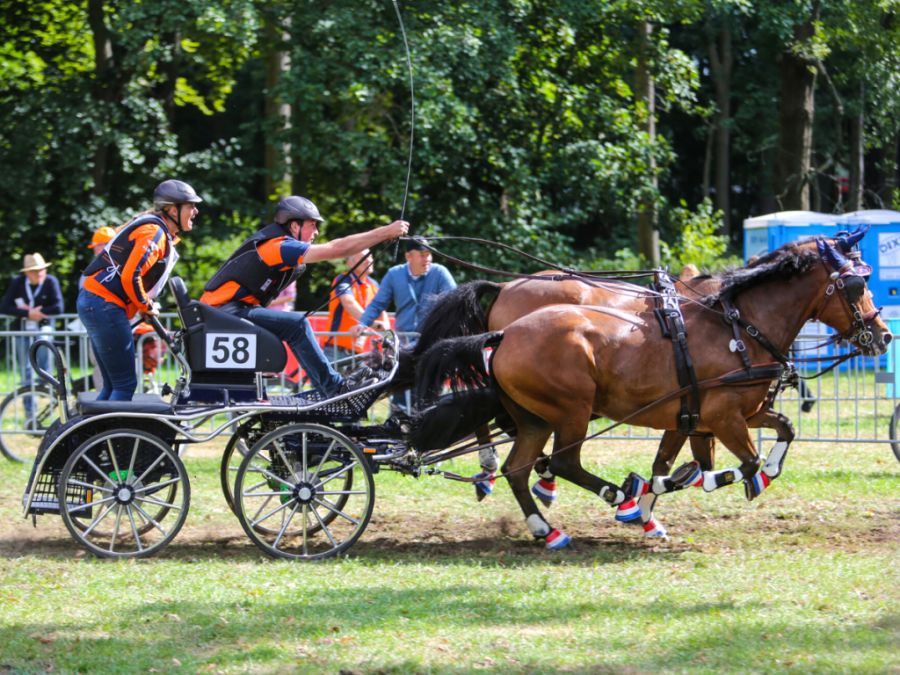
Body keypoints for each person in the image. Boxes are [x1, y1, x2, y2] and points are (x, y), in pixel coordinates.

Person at [200, 195, 408, 398]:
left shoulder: (279, 244)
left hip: (225, 313)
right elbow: (337, 248)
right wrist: (385, 231)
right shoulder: (278, 246)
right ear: (294, 226)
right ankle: (334, 389)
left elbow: (338, 245)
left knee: (295, 326)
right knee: (297, 325)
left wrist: (382, 236)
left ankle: (329, 391)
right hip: (221, 314)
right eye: (312, 225)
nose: (316, 232)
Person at [78, 179, 201, 401]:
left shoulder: (157, 230)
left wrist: (141, 305)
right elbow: (130, 275)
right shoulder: (154, 232)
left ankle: (97, 434)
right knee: (125, 386)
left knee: (111, 386)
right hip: (104, 304)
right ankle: (115, 436)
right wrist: (145, 305)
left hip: (97, 302)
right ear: (173, 210)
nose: (195, 211)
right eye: (190, 206)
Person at [350, 236, 457, 410]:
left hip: (431, 344)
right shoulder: (394, 274)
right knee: (400, 395)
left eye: (429, 254)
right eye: (422, 255)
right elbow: (378, 303)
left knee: (427, 396)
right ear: (409, 257)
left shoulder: (440, 272)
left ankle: (427, 428)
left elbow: (454, 301)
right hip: (404, 346)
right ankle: (397, 431)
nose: (427, 259)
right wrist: (363, 323)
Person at [1, 253, 64, 418]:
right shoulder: (18, 283)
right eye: (34, 270)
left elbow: (59, 307)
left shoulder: (51, 281)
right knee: (27, 370)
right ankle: (30, 411)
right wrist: (29, 313)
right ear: (26, 273)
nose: (39, 273)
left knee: (44, 339)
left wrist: (39, 312)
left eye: (41, 269)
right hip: (23, 331)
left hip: (43, 328)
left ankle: (44, 378)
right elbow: (5, 307)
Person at [323, 249, 390, 367]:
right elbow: (348, 303)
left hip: (361, 353)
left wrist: (386, 328)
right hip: (336, 350)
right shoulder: (343, 279)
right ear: (350, 263)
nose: (369, 260)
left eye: (370, 257)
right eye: (364, 258)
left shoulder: (374, 284)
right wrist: (373, 324)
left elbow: (382, 311)